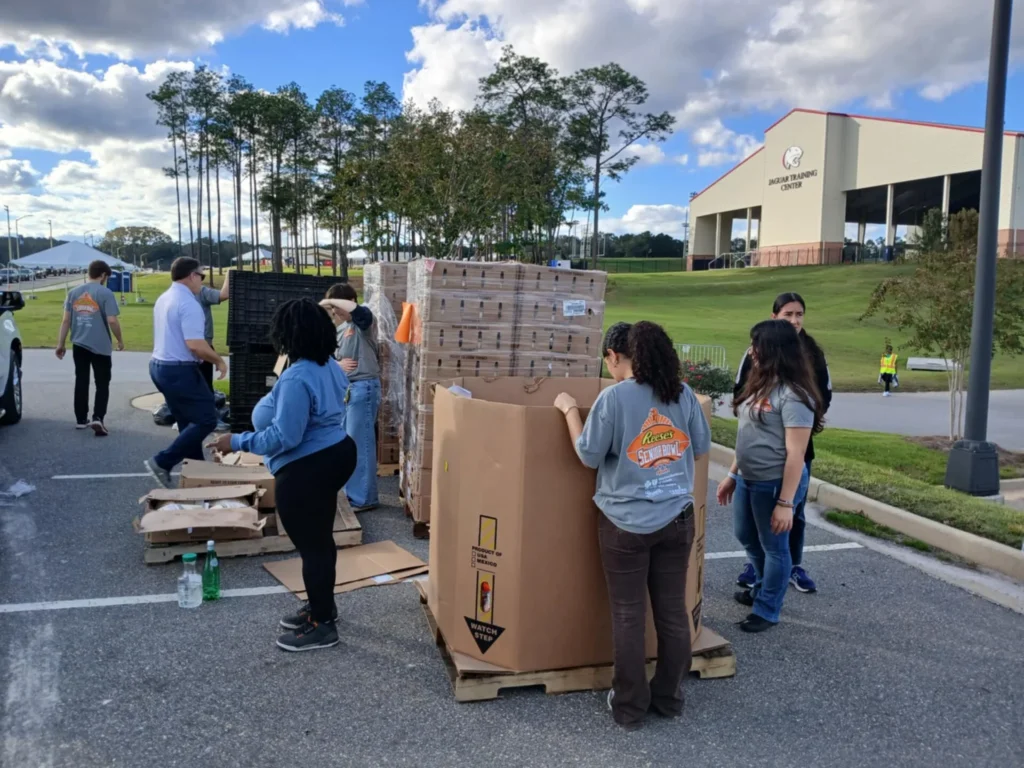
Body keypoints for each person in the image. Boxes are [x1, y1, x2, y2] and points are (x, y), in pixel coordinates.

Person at [554, 321, 711, 729]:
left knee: (628, 615)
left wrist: (570, 410)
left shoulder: (613, 398)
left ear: (617, 356)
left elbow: (588, 455)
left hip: (625, 523)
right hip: (677, 518)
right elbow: (700, 447)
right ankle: (669, 698)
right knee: (673, 613)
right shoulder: (683, 393)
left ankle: (629, 706)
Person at [209, 298, 356, 652]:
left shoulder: (298, 377)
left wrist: (236, 440)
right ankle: (323, 607)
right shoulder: (329, 366)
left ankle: (322, 625)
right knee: (320, 541)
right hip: (334, 453)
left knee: (313, 546)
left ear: (290, 334)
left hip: (309, 467)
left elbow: (284, 436)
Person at [716, 320, 824, 633]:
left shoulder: (795, 397)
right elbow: (748, 435)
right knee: (746, 535)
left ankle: (767, 607)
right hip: (748, 477)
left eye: (757, 345)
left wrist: (785, 503)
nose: (751, 351)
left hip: (776, 483)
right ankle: (763, 587)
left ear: (774, 351)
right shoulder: (759, 383)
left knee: (776, 548)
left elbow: (796, 454)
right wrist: (732, 475)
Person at [734, 292, 831, 594]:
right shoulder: (757, 352)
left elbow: (822, 397)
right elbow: (741, 393)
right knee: (752, 528)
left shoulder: (810, 358)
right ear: (775, 316)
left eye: (799, 314)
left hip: (791, 449)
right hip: (761, 452)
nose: (795, 320)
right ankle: (761, 568)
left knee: (789, 515)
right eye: (788, 314)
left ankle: (788, 569)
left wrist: (794, 424)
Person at [144, 257, 227, 488]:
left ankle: (197, 476)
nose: (202, 280)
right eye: (201, 275)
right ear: (191, 275)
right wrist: (219, 361)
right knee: (208, 419)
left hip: (159, 366)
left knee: (187, 422)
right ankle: (162, 461)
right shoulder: (189, 303)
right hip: (178, 369)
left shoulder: (164, 298)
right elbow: (195, 345)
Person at [320, 284, 380, 512]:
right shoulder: (341, 328)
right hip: (348, 391)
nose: (334, 311)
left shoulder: (363, 322)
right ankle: (352, 492)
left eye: (338, 306)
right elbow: (326, 356)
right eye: (331, 307)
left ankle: (364, 498)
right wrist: (336, 364)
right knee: (347, 444)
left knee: (360, 445)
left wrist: (340, 303)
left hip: (363, 388)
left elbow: (361, 313)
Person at [55, 259, 125, 436]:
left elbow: (66, 320)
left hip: (79, 343)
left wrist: (61, 343)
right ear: (103, 275)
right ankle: (98, 417)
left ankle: (80, 419)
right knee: (102, 383)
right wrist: (119, 339)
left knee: (81, 380)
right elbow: (112, 320)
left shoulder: (73, 293)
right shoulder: (106, 293)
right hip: (100, 345)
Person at [197, 269, 230, 392]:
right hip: (203, 345)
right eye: (201, 276)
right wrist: (228, 274)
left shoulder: (170, 296)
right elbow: (224, 294)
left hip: (184, 348)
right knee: (204, 387)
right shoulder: (201, 292)